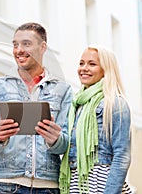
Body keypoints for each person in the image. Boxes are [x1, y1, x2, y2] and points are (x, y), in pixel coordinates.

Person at [0, 22, 73, 193]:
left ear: (42, 47)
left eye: (26, 44)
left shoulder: (62, 90)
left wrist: (55, 139)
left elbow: (66, 144)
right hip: (7, 184)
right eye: (15, 44)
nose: (19, 50)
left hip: (48, 185)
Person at [59, 45, 132, 194]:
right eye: (81, 63)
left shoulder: (115, 103)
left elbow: (122, 155)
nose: (84, 68)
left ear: (106, 69)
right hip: (75, 183)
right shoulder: (76, 104)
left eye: (92, 64)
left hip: (101, 183)